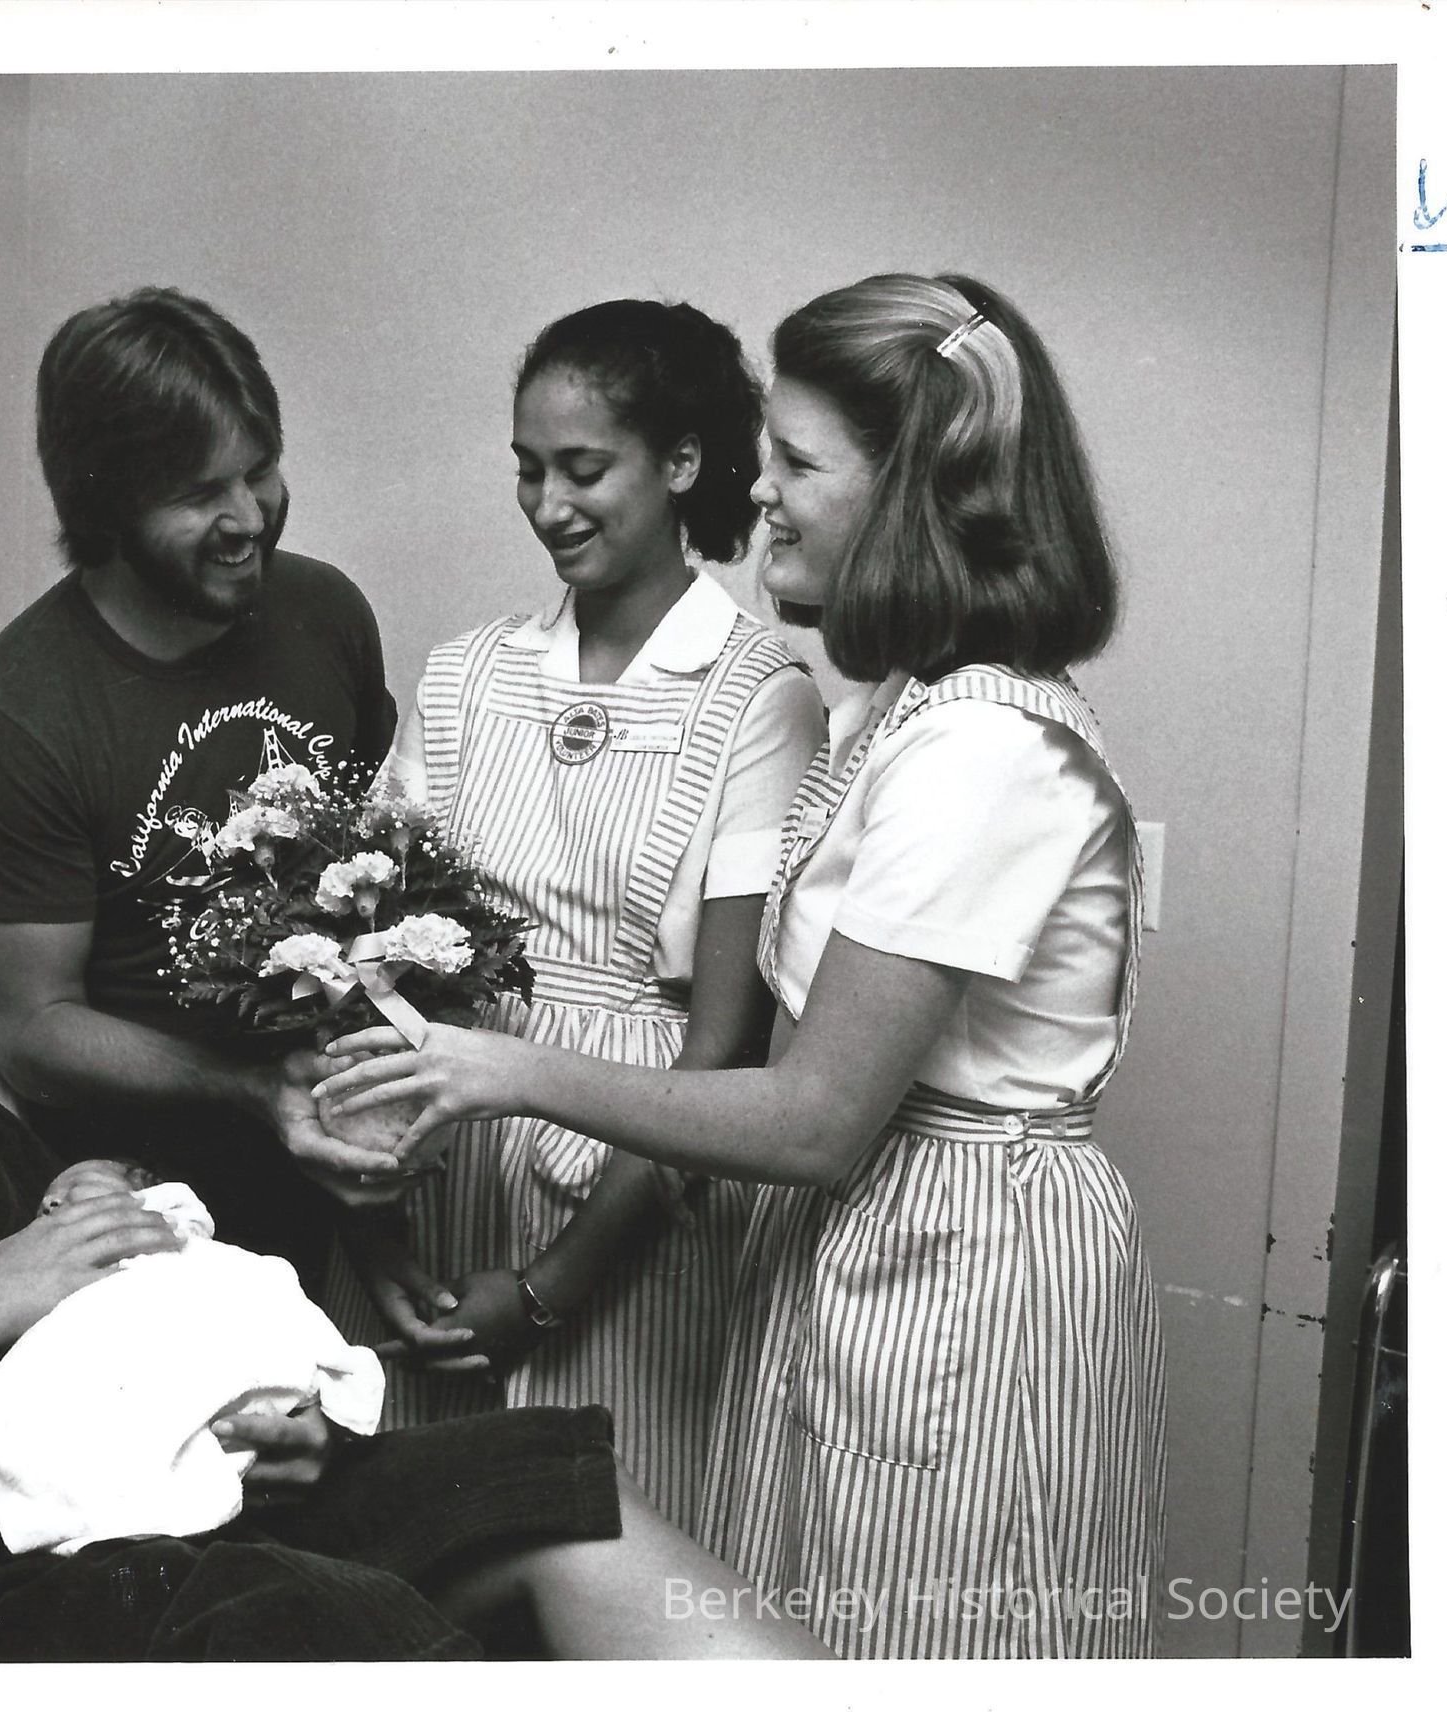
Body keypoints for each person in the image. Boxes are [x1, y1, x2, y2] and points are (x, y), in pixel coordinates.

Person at [317, 274, 1164, 1659]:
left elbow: (816, 1114)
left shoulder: (983, 749)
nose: (759, 491)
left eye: (799, 464)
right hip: (858, 1253)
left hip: (953, 1270)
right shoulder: (904, 710)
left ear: (912, 493)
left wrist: (504, 1069)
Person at [0, 784, 822, 1661]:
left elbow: (126, 1324)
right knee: (288, 1616)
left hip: (142, 1508)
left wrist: (270, 1426)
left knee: (543, 1482)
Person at [325, 299, 822, 1534]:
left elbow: (724, 1045)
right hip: (439, 1154)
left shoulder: (758, 695)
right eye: (528, 469)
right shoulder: (464, 673)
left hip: (634, 1185)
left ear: (682, 463)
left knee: (608, 1538)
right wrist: (378, 1232)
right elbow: (372, 959)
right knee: (405, 1554)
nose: (549, 504)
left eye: (584, 469)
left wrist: (551, 1288)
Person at [0, 286, 399, 1281]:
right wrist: (255, 1087)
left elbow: (384, 859)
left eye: (260, 471)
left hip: (359, 1149)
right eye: (198, 493)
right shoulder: (13, 723)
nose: (248, 519)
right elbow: (31, 1029)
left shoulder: (325, 612)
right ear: (105, 507)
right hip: (161, 1221)